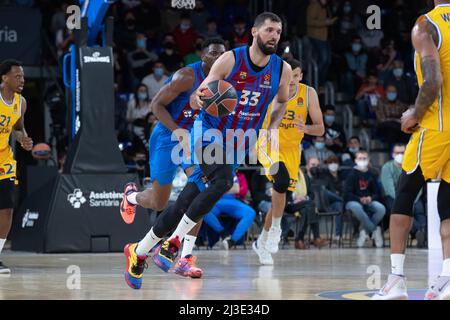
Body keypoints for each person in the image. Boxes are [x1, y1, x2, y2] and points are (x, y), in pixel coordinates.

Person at [122, 12, 292, 289]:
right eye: (269, 30)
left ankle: (139, 251)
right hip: (208, 133)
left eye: (278, 31)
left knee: (189, 198)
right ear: (254, 32)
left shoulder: (281, 69)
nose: (274, 35)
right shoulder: (230, 60)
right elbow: (196, 96)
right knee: (222, 182)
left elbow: (282, 101)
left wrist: (271, 127)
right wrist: (202, 98)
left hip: (240, 140)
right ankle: (174, 243)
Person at [120, 38, 226, 286]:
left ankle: (185, 257)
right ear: (204, 57)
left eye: (223, 54)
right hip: (168, 135)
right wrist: (179, 131)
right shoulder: (186, 77)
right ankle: (131, 197)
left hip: (195, 138)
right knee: (158, 200)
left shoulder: (223, 82)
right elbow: (156, 106)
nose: (219, 58)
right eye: (214, 53)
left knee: (202, 188)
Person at [374, 1, 450, 300]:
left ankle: (396, 279)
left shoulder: (426, 25)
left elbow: (433, 81)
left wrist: (415, 114)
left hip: (435, 127)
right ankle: (447, 277)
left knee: (404, 194)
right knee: (447, 200)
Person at [254, 58, 324, 265]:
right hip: (269, 143)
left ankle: (262, 240)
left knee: (280, 194)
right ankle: (276, 229)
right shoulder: (269, 90)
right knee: (281, 180)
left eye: (296, 75)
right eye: (288, 76)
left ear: (301, 76)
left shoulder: (309, 94)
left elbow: (320, 129)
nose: (292, 80)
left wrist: (306, 128)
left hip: (293, 149)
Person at [0, 59, 34, 274]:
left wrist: (24, 139)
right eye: (17, 76)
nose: (22, 80)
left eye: (23, 76)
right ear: (4, 78)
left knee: (6, 209)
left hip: (4, 159)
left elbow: (18, 128)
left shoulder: (20, 102)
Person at [380, 144, 426, 245]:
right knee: (402, 210)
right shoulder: (387, 167)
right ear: (392, 154)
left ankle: (424, 231)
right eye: (397, 153)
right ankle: (420, 231)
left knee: (419, 210)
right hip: (394, 198)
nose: (400, 155)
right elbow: (389, 188)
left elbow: (419, 186)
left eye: (402, 153)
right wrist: (403, 200)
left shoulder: (413, 167)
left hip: (412, 196)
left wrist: (413, 199)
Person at [203, 171, 256, 250]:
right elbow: (205, 189)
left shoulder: (230, 171)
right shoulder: (209, 171)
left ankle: (232, 241)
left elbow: (236, 189)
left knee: (250, 213)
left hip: (231, 201)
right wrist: (225, 188)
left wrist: (216, 188)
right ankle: (223, 233)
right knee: (202, 211)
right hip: (215, 201)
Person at [344, 150, 385, 248]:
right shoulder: (350, 174)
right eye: (360, 158)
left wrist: (370, 198)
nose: (362, 160)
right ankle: (374, 230)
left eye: (364, 158)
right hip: (353, 201)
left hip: (369, 201)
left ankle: (364, 231)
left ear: (368, 160)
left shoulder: (372, 174)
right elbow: (347, 194)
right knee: (357, 207)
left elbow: (377, 193)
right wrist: (359, 199)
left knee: (381, 208)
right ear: (355, 160)